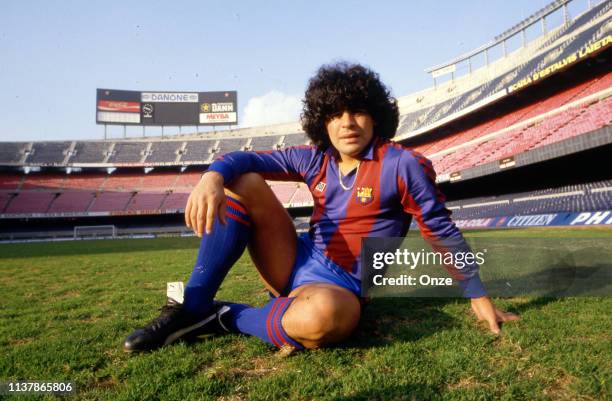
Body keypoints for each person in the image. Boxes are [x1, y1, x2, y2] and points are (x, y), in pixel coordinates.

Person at [123, 62, 518, 353]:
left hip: (341, 286)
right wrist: (212, 175)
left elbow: (440, 228)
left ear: (376, 116)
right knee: (242, 181)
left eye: (358, 111)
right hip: (294, 260)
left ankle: (222, 315)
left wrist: (478, 296)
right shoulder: (316, 159)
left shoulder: (402, 164)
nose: (347, 123)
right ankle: (190, 307)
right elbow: (246, 161)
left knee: (324, 318)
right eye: (335, 113)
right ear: (322, 121)